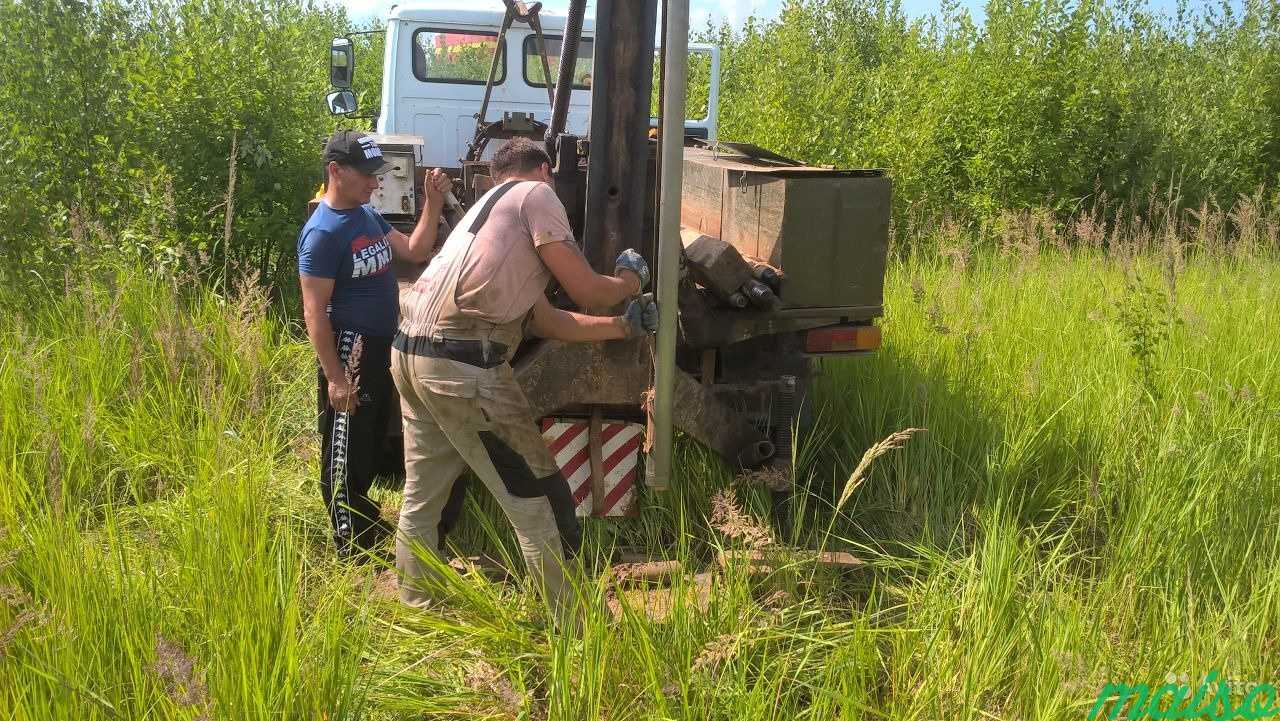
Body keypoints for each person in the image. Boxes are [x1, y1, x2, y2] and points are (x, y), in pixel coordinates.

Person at [391, 137, 657, 611]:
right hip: (463, 366)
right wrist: (629, 283)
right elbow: (588, 291)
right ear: (547, 170)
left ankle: (416, 605)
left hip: (412, 356)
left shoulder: (481, 218)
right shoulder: (537, 195)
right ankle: (569, 626)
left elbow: (547, 320)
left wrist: (621, 326)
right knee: (541, 500)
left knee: (424, 493)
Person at [298, 129, 453, 560]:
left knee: (368, 439)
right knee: (346, 443)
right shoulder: (323, 234)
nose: (374, 182)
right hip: (350, 349)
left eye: (376, 173)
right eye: (366, 174)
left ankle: (364, 520)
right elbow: (314, 313)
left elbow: (416, 249)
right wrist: (334, 377)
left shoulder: (366, 216)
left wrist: (432, 201)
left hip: (382, 344)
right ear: (336, 171)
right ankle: (350, 543)